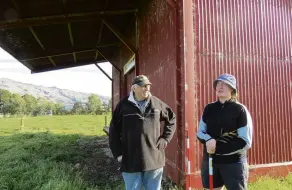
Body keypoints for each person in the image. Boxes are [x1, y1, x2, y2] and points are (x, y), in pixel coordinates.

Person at [109, 75, 176, 190]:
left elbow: (171, 118)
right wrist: (119, 154)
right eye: (143, 86)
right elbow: (113, 131)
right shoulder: (123, 105)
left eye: (148, 86)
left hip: (154, 159)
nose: (147, 88)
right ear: (134, 88)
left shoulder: (156, 103)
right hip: (130, 160)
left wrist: (165, 137)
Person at [197, 73, 253, 190]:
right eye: (218, 84)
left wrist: (217, 148)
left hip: (233, 163)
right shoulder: (209, 108)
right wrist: (209, 139)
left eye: (224, 84)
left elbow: (245, 141)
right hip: (211, 160)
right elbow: (200, 133)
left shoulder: (240, 110)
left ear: (232, 89)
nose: (220, 86)